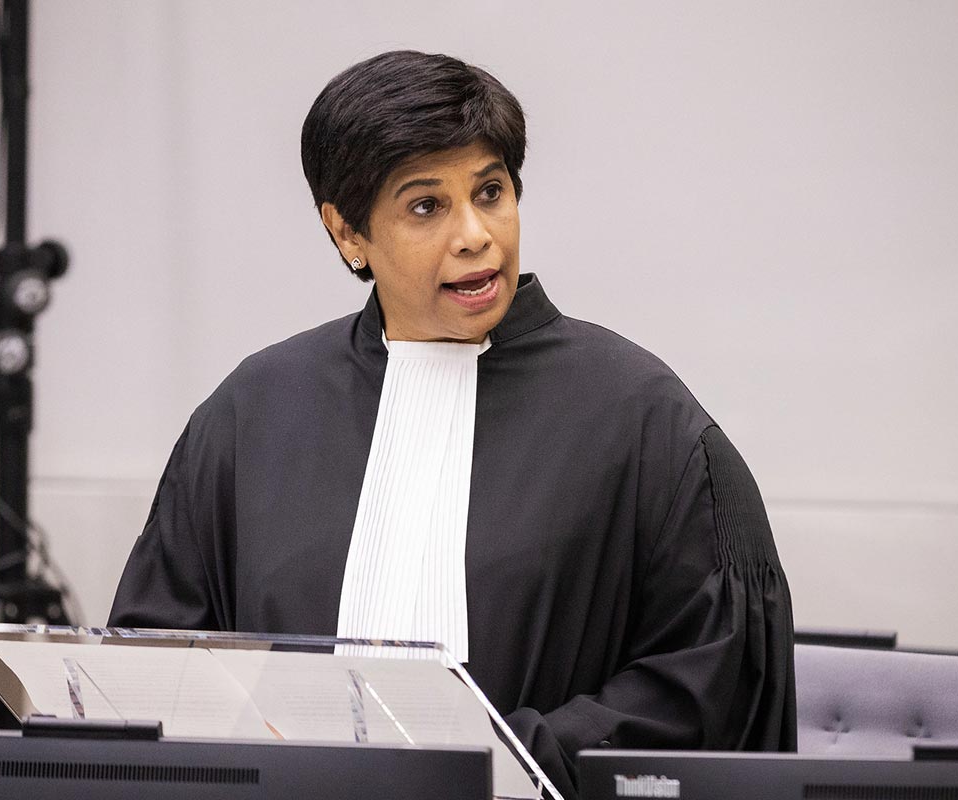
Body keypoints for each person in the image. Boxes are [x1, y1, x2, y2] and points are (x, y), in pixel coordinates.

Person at [108, 50, 796, 798]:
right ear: (347, 234)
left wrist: (491, 760)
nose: (475, 234)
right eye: (426, 206)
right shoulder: (253, 415)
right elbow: (156, 666)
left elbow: (707, 683)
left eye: (491, 192)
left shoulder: (643, 417)